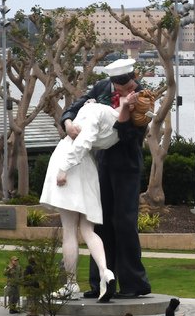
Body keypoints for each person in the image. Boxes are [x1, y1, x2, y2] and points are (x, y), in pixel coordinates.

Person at [61, 58, 151, 302]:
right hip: (101, 164)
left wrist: (125, 108)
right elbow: (75, 107)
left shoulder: (143, 97)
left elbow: (130, 135)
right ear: (113, 83)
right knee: (98, 223)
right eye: (122, 87)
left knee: (124, 222)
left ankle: (134, 283)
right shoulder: (101, 88)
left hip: (127, 165)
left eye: (130, 84)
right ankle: (100, 281)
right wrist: (68, 123)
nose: (128, 89)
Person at [42, 99, 132, 300]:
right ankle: (105, 271)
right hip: (88, 168)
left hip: (71, 161)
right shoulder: (117, 131)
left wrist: (64, 168)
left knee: (69, 230)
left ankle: (71, 283)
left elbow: (81, 142)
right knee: (87, 230)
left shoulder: (98, 110)